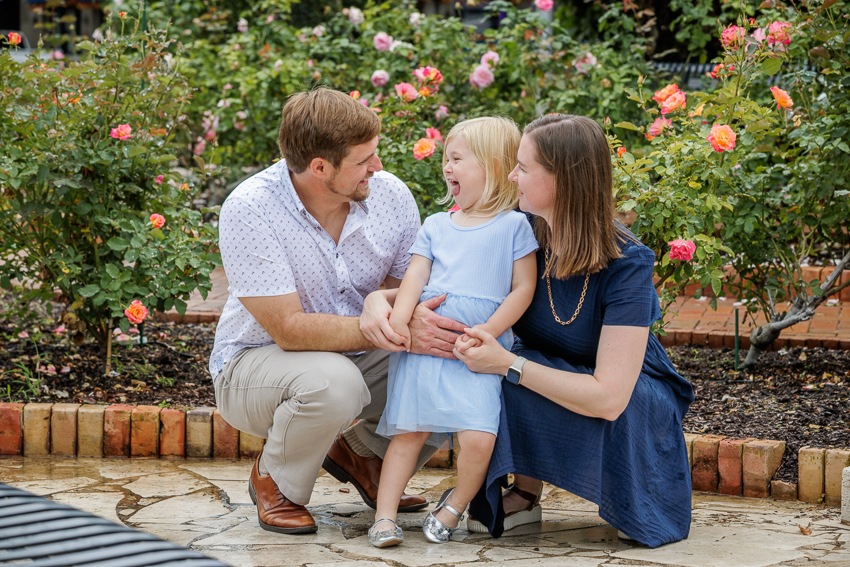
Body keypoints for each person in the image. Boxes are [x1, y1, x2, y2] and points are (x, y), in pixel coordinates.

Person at [210, 87, 468, 534]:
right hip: (255, 366)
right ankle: (276, 481)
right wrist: (378, 327)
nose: (379, 167)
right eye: (364, 160)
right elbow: (288, 330)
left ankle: (365, 454)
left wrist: (405, 317)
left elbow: (407, 293)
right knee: (335, 383)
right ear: (319, 168)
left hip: (353, 353)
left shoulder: (389, 195)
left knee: (453, 352)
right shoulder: (251, 208)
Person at [452, 114, 695, 548]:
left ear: (563, 178)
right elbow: (448, 274)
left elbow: (608, 396)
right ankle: (525, 494)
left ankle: (634, 496)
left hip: (629, 390)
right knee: (503, 374)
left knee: (519, 370)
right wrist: (383, 302)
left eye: (524, 168)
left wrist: (508, 362)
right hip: (555, 366)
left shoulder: (627, 262)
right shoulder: (520, 234)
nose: (511, 176)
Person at [366, 117, 539, 548]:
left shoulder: (514, 226)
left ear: (495, 167)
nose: (447, 167)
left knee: (479, 438)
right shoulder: (437, 225)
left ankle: (455, 505)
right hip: (426, 352)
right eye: (445, 158)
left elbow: (524, 289)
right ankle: (384, 517)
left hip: (479, 352)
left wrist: (489, 332)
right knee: (408, 435)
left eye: (457, 158)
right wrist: (403, 321)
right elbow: (414, 280)